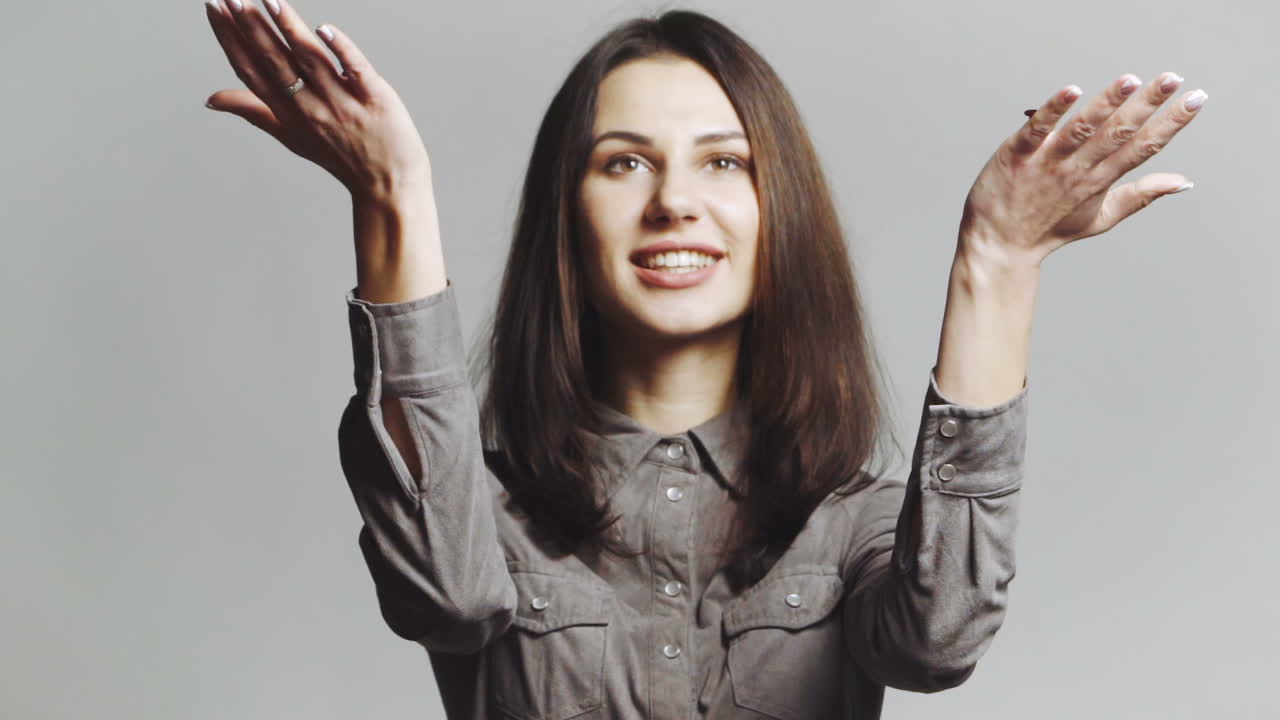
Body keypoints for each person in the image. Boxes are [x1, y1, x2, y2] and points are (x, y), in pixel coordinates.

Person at [203, 1, 1206, 717]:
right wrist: (391, 198)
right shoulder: (483, 511)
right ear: (570, 217)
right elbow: (445, 594)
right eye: (623, 161)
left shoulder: (853, 523)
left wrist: (997, 256)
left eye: (724, 161)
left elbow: (936, 642)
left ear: (780, 215)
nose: (673, 201)